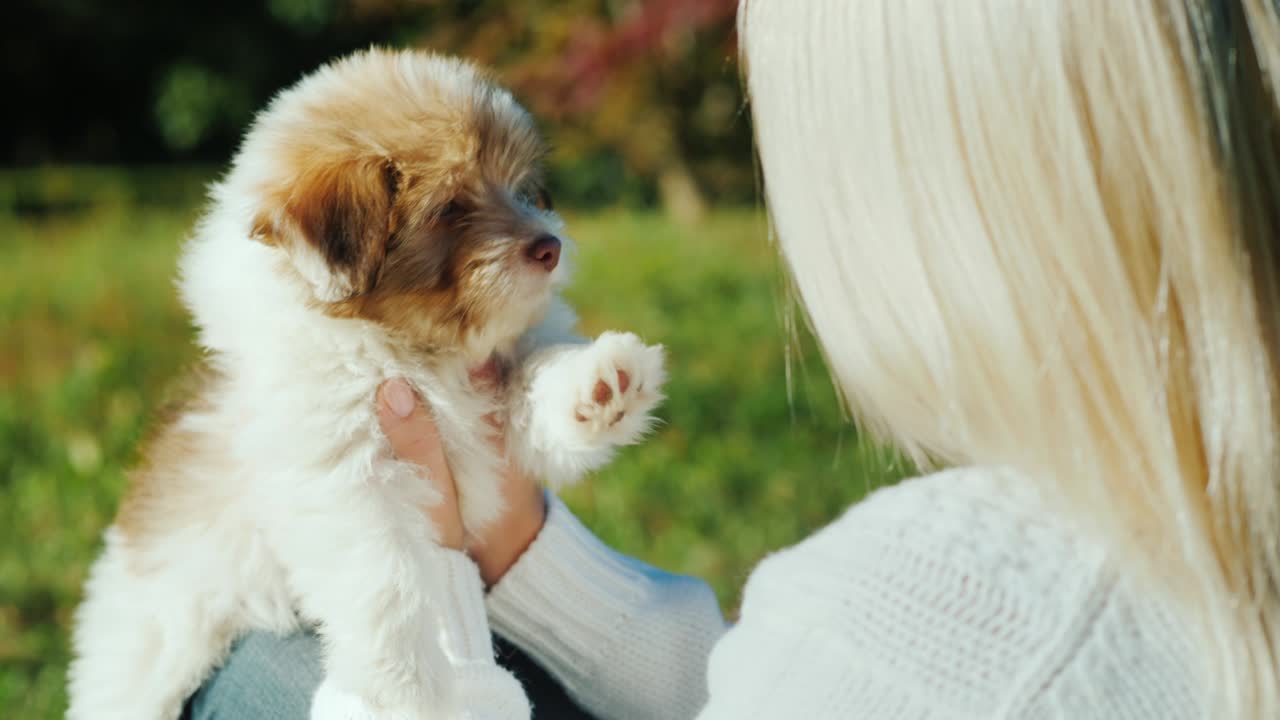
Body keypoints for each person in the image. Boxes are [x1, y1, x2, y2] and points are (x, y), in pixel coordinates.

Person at [186, 0, 1280, 717]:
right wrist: (521, 551)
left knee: (252, 677)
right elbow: (727, 694)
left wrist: (432, 644)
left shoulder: (926, 619)